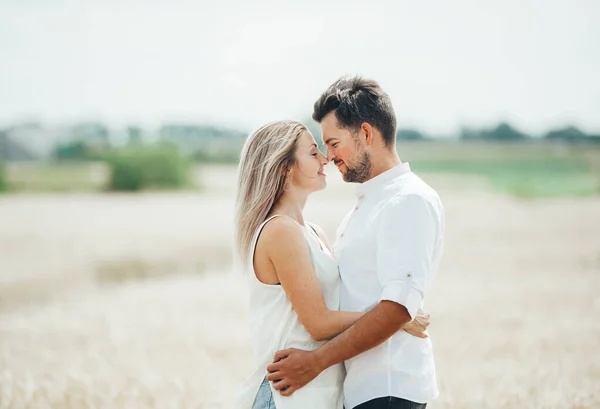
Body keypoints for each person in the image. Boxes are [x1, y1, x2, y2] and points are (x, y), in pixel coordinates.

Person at [266, 77, 445, 409]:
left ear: (365, 134)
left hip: (390, 387)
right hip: (362, 389)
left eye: (333, 143)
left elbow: (396, 309)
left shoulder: (407, 201)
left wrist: (315, 361)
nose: (329, 156)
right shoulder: (365, 207)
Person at [232, 119, 431, 409]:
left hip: (317, 394)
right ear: (285, 168)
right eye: (313, 153)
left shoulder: (313, 232)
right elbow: (319, 323)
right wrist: (396, 317)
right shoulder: (280, 231)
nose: (325, 158)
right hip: (287, 396)